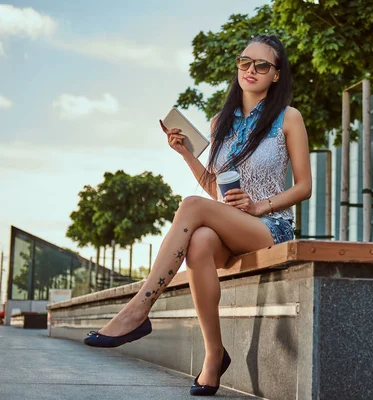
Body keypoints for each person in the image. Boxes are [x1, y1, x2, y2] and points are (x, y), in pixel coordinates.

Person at [83, 35, 312, 396]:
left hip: (270, 225)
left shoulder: (289, 118)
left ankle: (138, 310)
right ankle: (214, 354)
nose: (250, 70)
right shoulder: (220, 122)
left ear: (277, 75)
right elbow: (215, 188)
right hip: (230, 225)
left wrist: (258, 206)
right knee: (201, 240)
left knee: (191, 208)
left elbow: (304, 187)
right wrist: (187, 154)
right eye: (244, 62)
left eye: (261, 65)